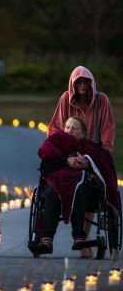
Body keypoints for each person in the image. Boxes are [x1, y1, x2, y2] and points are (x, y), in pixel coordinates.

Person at [48, 65, 115, 257]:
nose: (83, 85)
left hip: (93, 153)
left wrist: (102, 156)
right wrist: (60, 152)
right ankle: (52, 236)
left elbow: (108, 130)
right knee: (57, 179)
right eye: (79, 82)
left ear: (92, 83)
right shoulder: (65, 100)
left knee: (90, 185)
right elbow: (55, 127)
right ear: (73, 84)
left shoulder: (101, 101)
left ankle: (83, 239)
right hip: (69, 152)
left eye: (86, 81)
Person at [33, 117, 120, 255]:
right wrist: (67, 161)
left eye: (74, 128)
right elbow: (46, 164)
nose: (69, 130)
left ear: (84, 133)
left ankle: (80, 237)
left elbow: (106, 166)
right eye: (67, 127)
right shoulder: (55, 143)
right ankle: (46, 239)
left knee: (79, 189)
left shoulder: (92, 148)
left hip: (85, 189)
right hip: (57, 183)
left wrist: (88, 162)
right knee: (52, 191)